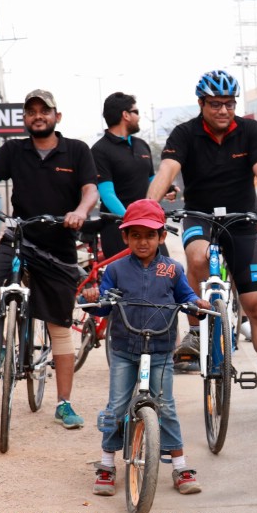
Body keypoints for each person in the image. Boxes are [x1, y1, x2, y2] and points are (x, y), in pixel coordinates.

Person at [146, 69, 257, 417]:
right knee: (196, 257)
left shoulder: (250, 130)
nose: (223, 110)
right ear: (201, 104)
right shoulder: (184, 133)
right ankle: (196, 330)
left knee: (256, 306)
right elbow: (166, 170)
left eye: (229, 103)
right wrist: (148, 209)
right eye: (215, 104)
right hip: (201, 217)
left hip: (242, 221)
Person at [0, 89, 99, 430]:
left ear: (56, 117)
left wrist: (80, 212)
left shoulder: (77, 150)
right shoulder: (15, 150)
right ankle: (2, 348)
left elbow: (90, 189)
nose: (38, 116)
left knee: (59, 329)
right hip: (19, 238)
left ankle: (64, 404)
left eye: (44, 111)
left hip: (60, 247)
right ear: (24, 119)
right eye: (31, 111)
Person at [84, 199, 210, 496]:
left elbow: (188, 297)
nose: (143, 241)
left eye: (150, 235)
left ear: (162, 237)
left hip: (161, 350)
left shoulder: (172, 269)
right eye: (136, 235)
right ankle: (106, 464)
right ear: (125, 237)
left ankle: (180, 466)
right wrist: (90, 299)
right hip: (124, 349)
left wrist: (198, 305)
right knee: (116, 406)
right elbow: (103, 306)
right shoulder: (115, 270)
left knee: (165, 406)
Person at [91, 92, 161, 258]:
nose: (139, 117)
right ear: (126, 115)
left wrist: (168, 188)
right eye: (136, 112)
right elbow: (107, 194)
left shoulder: (142, 145)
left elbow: (151, 180)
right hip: (118, 228)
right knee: (127, 283)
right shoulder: (99, 150)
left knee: (164, 276)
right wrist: (132, 220)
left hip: (149, 224)